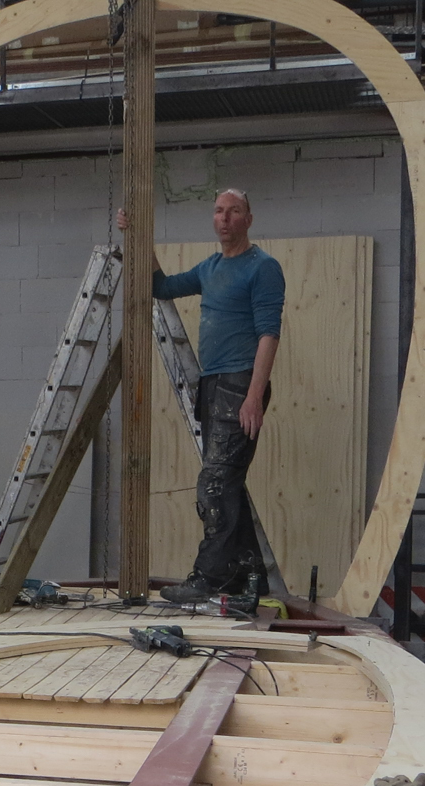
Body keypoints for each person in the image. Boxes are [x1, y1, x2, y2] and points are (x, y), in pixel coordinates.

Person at [117, 188, 285, 605]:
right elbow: (161, 286)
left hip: (239, 385)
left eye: (234, 211)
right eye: (219, 211)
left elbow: (269, 334)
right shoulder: (210, 267)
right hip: (212, 386)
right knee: (227, 485)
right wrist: (136, 236)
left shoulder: (263, 267)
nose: (224, 218)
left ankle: (209, 577)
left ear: (249, 219)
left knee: (214, 484)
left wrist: (254, 395)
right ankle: (248, 573)